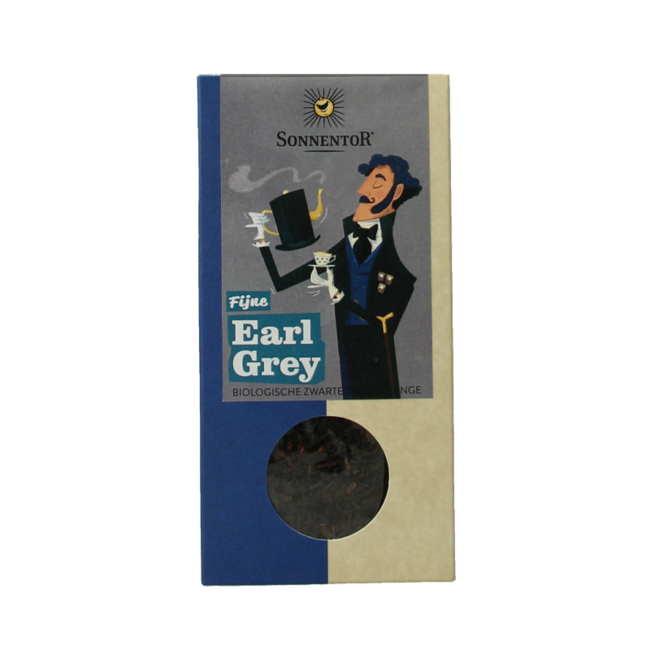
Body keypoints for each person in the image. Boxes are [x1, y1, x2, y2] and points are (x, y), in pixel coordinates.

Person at [253, 154, 422, 399]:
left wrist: (338, 296)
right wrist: (261, 238)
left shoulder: (403, 246)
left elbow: (385, 322)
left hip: (380, 349)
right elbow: (282, 282)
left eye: (377, 182)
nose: (362, 190)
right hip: (347, 341)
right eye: (367, 181)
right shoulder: (345, 245)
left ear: (396, 193)